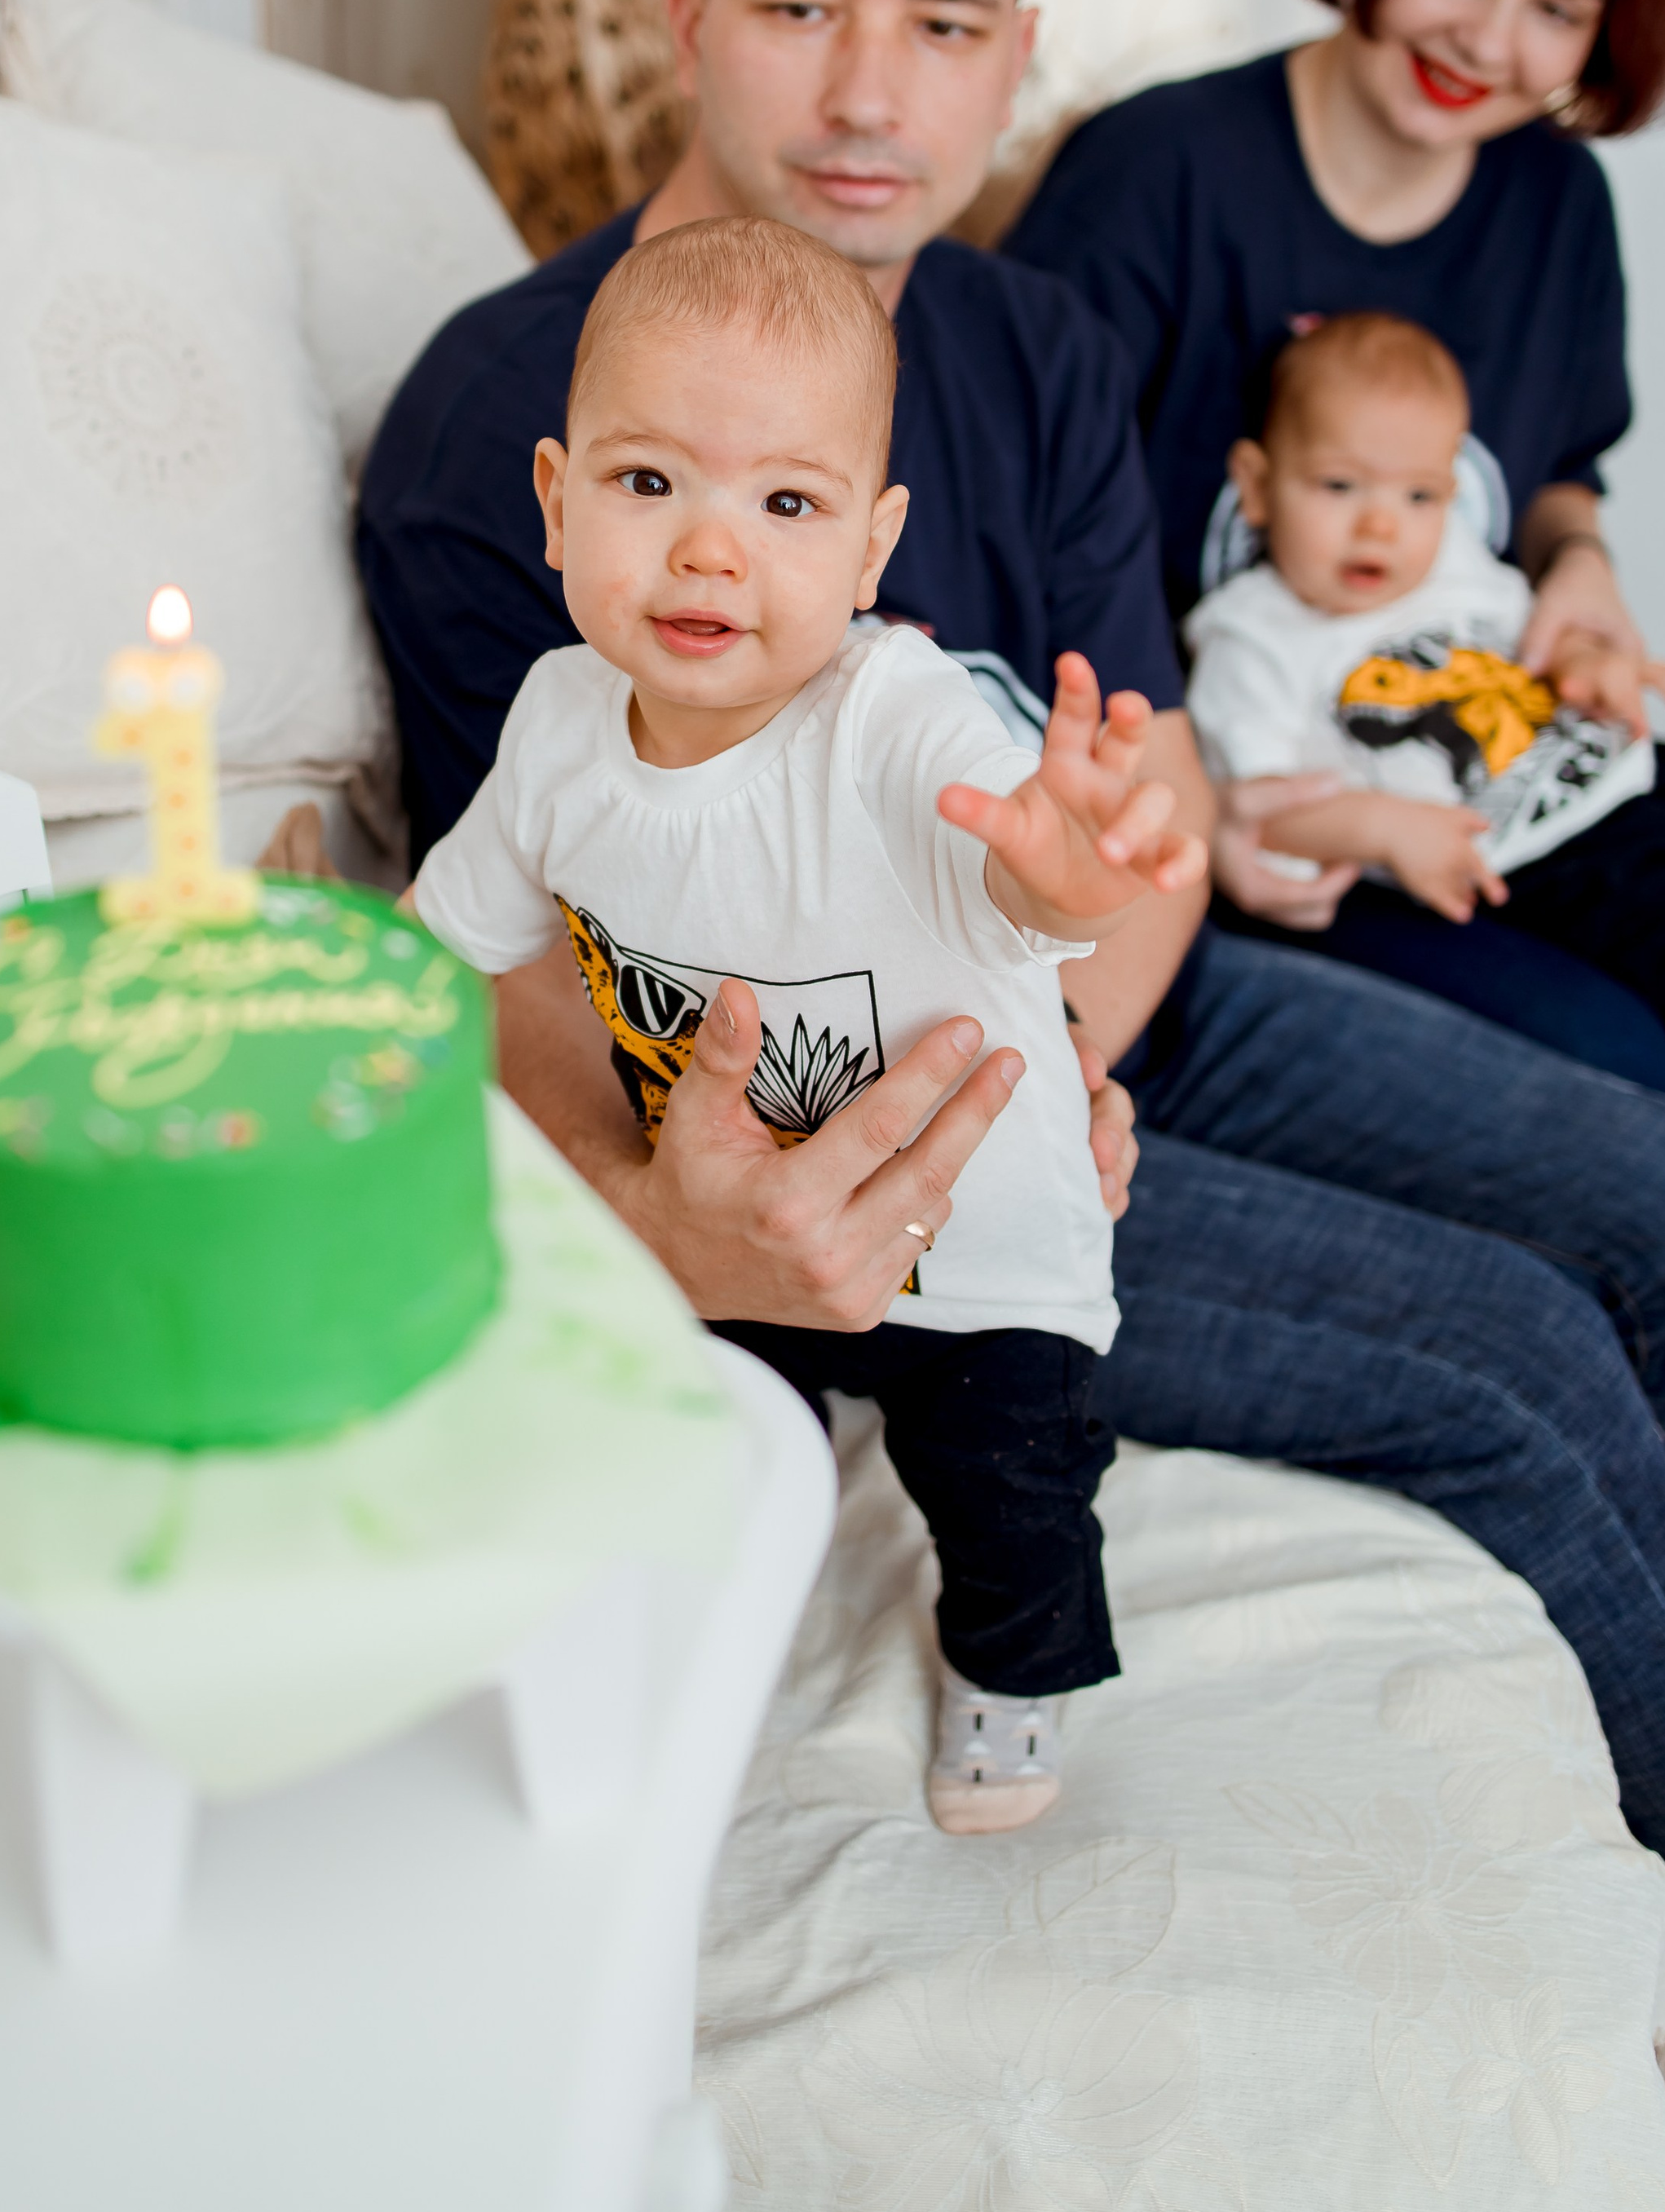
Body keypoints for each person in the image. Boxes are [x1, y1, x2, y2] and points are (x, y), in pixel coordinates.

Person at [342, 0, 1665, 1937]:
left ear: (1014, 56)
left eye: (944, 23)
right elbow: (515, 942)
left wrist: (1069, 1049)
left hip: (1098, 1011)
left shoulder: (1034, 344)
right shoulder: (517, 426)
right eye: (802, 6)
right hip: (844, 1120)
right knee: (1522, 1367)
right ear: (684, 17)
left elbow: (1141, 760)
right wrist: (740, 1197)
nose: (874, 98)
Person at [409, 214, 1205, 1830]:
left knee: (1012, 1487)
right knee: (663, 1429)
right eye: (649, 487)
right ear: (556, 503)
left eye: (785, 504)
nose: (710, 552)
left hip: (968, 1243)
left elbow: (1015, 871)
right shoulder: (557, 727)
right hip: (723, 1218)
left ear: (867, 549)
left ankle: (1017, 1675)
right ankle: (683, 1627)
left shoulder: (891, 715)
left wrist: (1066, 875)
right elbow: (454, 948)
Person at [1013, 0, 1665, 1098]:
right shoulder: (1155, 178)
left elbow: (1560, 471)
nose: (1490, 45)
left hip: (1509, 758)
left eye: (1559, 10)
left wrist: (1582, 570)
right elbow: (1004, 547)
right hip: (1270, 831)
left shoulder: (1554, 201)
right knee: (1632, 1083)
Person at [1186, 309, 1665, 1077]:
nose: (1382, 527)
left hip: (1633, 787)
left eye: (1420, 498)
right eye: (1339, 485)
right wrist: (1379, 827)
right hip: (1528, 868)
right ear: (1256, 487)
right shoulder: (1250, 637)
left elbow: (1534, 630)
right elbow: (1264, 812)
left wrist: (1590, 657)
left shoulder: (1453, 562)